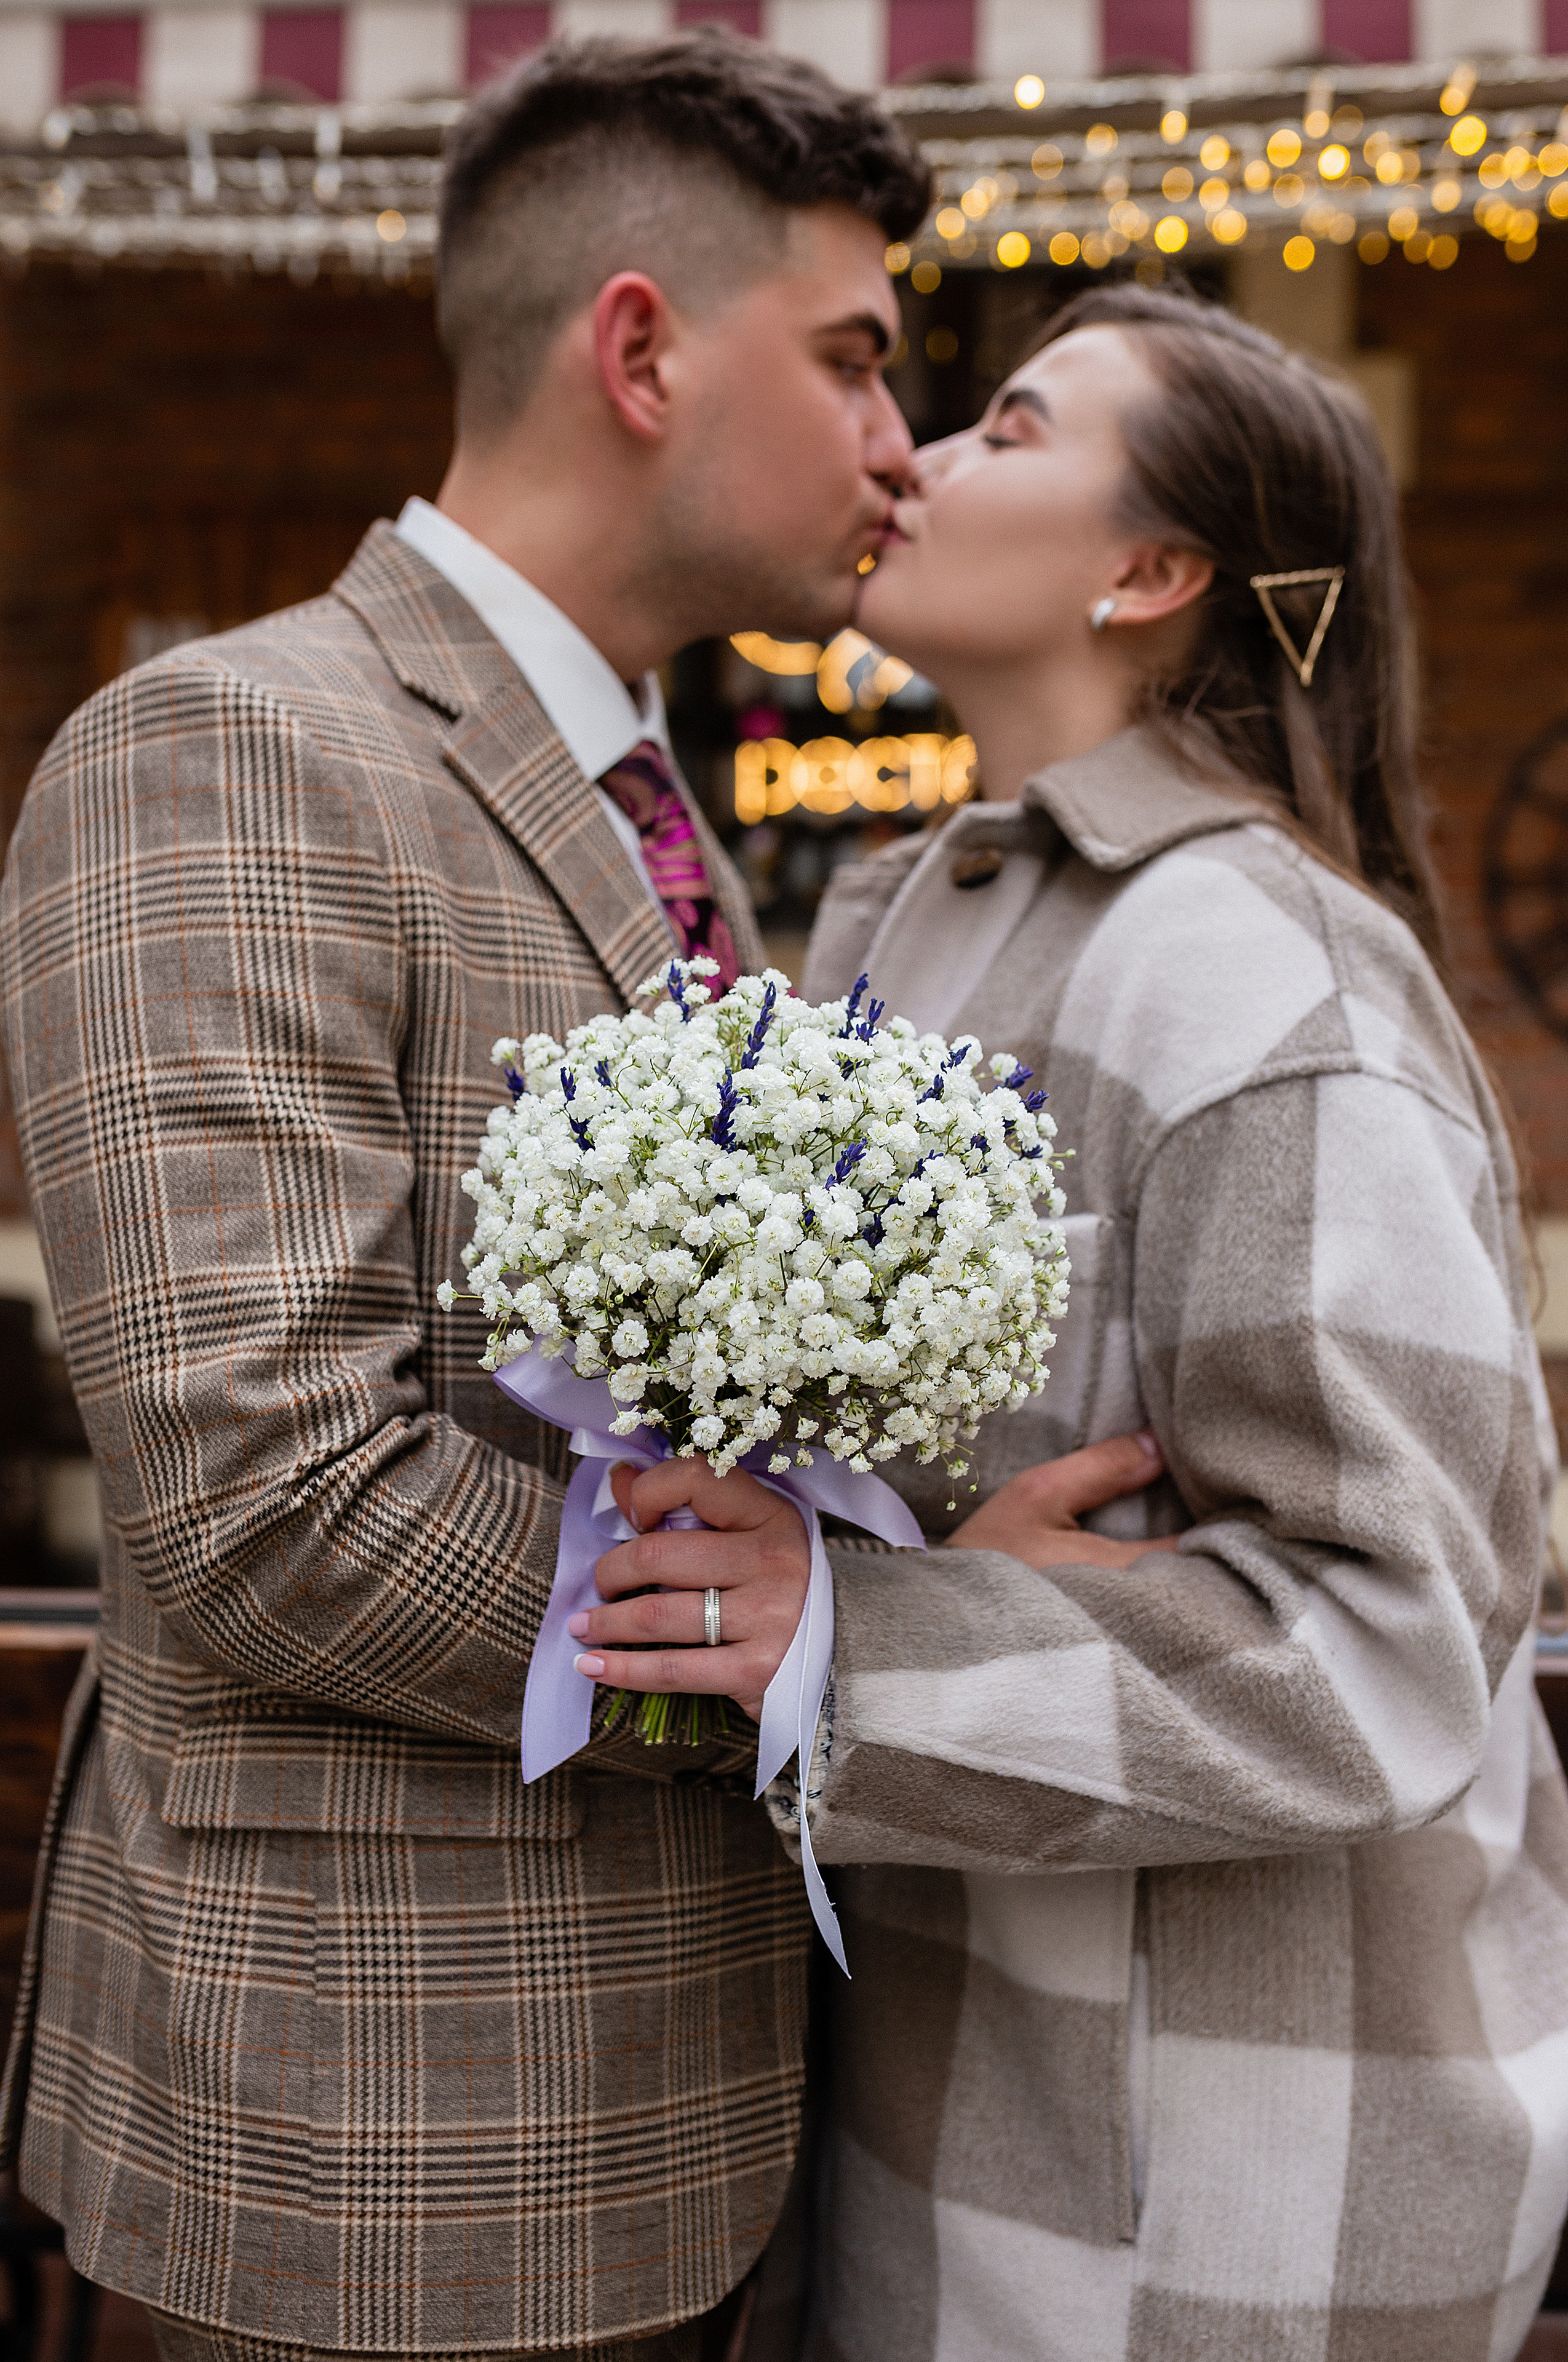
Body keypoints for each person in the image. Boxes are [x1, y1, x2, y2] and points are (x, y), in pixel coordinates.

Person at [0, 31, 927, 2362]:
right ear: (639, 348)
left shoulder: (651, 802)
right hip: (374, 2131)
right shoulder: (234, 747)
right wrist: (812, 1661)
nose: (898, 447)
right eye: (856, 360)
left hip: (692, 2117)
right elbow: (264, 1495)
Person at [579, 284, 1568, 2361]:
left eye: (1010, 428)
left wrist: (873, 1632)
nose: (918, 456)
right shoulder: (912, 911)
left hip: (1220, 2197)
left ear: (1152, 571)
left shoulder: (1263, 972)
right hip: (939, 2127)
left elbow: (1395, 1636)